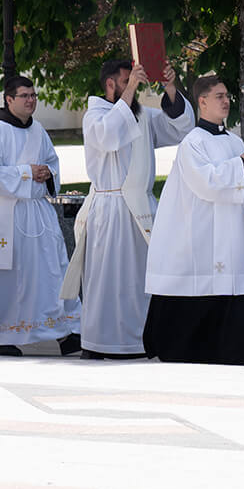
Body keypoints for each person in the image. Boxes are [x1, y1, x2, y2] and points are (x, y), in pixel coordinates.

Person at [61, 58, 193, 358]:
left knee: (140, 281)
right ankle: (99, 343)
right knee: (108, 281)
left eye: (135, 81)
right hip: (110, 210)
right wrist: (132, 88)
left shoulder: (141, 115)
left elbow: (178, 129)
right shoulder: (94, 115)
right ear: (111, 84)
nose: (134, 86)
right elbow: (108, 137)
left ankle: (139, 341)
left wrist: (171, 89)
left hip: (140, 209)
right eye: (126, 81)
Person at [142, 76, 244, 366]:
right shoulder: (192, 143)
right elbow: (205, 183)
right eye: (218, 96)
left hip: (237, 234)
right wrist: (241, 163)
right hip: (203, 234)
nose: (226, 100)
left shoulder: (235, 140)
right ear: (202, 102)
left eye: (227, 95)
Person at [0, 75, 80, 355]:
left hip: (39, 212)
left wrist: (48, 173)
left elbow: (51, 162)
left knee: (51, 269)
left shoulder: (39, 130)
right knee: (11, 275)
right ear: (9, 100)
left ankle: (64, 332)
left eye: (33, 95)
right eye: (24, 96)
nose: (31, 100)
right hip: (10, 213)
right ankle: (7, 337)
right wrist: (26, 172)